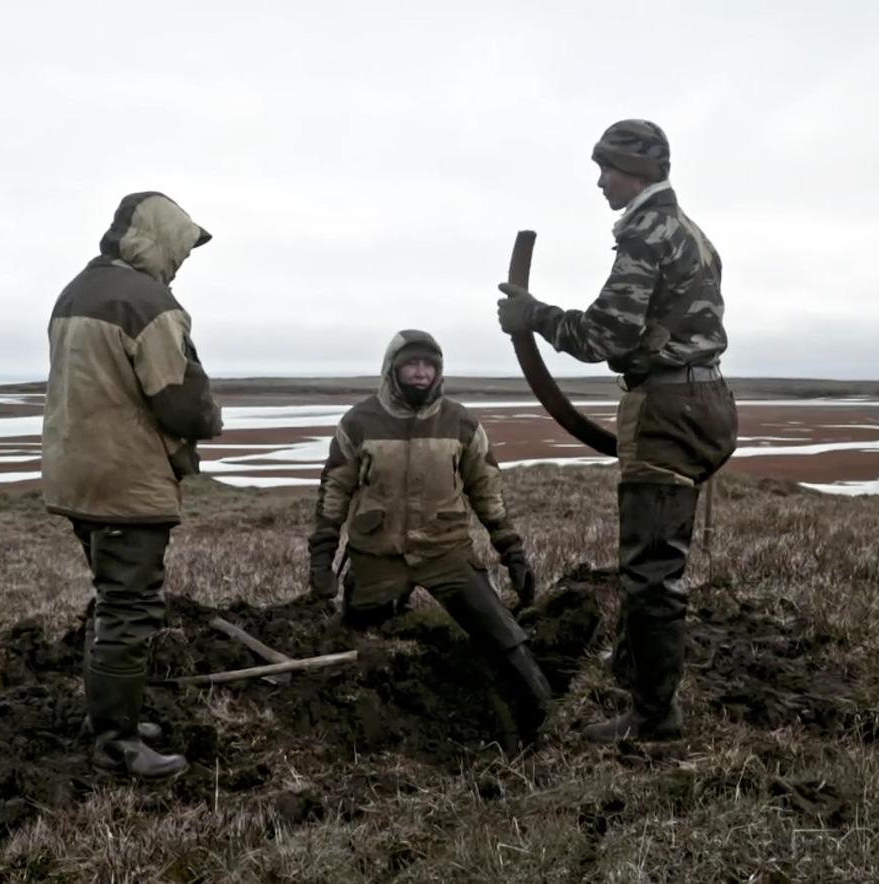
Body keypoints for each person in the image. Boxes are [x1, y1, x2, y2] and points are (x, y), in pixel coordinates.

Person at [496, 120, 738, 742]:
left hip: (668, 408)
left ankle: (655, 720)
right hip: (703, 399)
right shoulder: (692, 235)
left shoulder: (645, 232)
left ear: (637, 171)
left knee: (651, 569)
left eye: (607, 168)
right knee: (654, 554)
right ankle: (637, 672)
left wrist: (534, 316)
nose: (601, 181)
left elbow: (606, 336)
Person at [42, 191, 221, 778]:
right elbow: (178, 399)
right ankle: (117, 743)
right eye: (184, 249)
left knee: (111, 598)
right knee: (128, 608)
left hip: (80, 474)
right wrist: (208, 421)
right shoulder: (148, 302)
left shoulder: (76, 291)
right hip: (126, 478)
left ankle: (112, 716)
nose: (183, 261)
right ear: (161, 239)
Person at [307, 329, 553, 740]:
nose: (421, 373)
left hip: (446, 552)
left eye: (429, 365)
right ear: (392, 369)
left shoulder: (461, 422)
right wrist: (321, 557)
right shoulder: (359, 421)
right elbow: (334, 490)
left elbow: (487, 493)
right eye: (412, 364)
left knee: (503, 634)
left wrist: (512, 552)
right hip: (377, 555)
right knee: (356, 641)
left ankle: (546, 714)